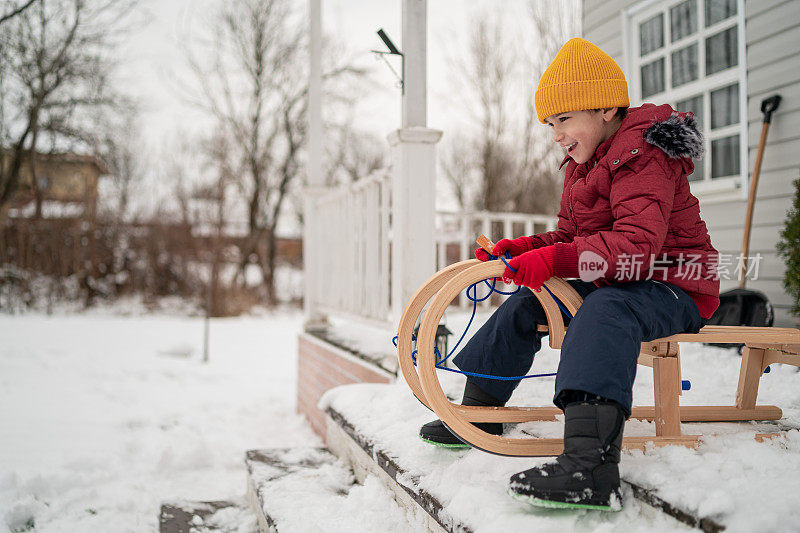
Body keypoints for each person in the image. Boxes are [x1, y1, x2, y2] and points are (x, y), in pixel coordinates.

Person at [418, 38, 720, 511]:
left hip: (673, 282)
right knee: (529, 301)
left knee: (605, 309)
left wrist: (555, 261)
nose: (556, 134)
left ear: (603, 109)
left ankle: (591, 465)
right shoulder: (583, 166)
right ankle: (481, 409)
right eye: (549, 124)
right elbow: (569, 236)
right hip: (618, 277)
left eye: (563, 120)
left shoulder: (645, 155)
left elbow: (638, 249)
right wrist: (525, 249)